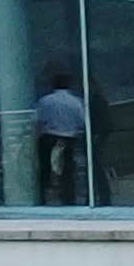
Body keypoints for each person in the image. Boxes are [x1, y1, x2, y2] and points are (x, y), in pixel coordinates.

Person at [32, 66, 90, 202]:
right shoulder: (76, 102)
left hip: (48, 137)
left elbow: (39, 120)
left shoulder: (45, 101)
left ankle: (43, 196)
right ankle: (68, 197)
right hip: (69, 138)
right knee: (68, 170)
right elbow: (82, 121)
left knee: (45, 168)